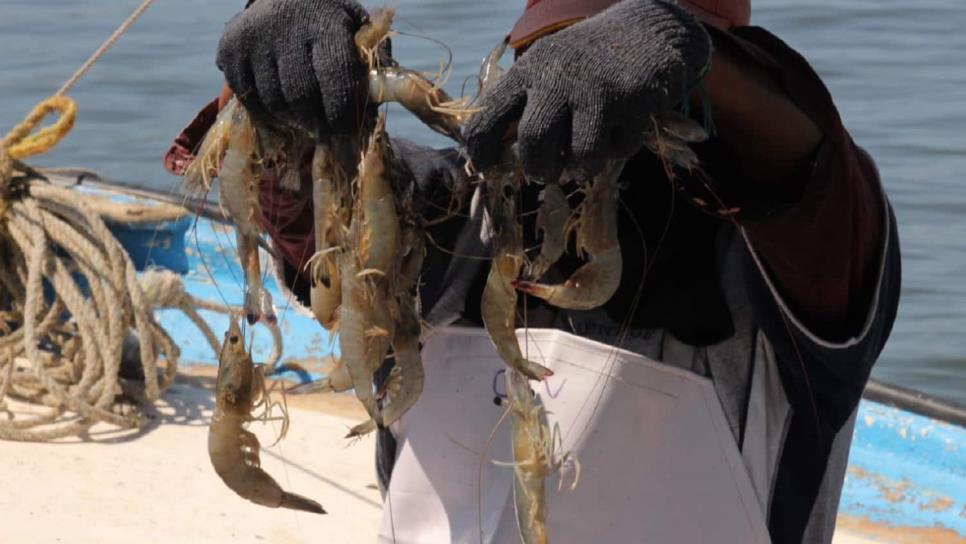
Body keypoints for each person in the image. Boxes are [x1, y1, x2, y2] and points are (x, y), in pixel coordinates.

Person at [165, 0, 901, 542]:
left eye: (623, 89)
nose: (584, 117)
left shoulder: (799, 263)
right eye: (555, 72)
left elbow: (808, 164)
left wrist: (687, 51)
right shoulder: (457, 216)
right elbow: (302, 196)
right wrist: (268, 79)